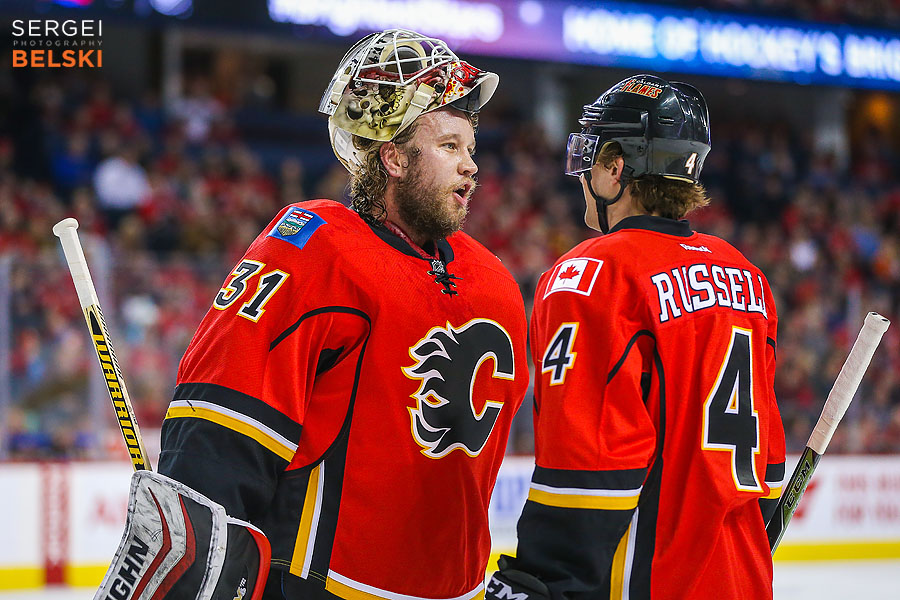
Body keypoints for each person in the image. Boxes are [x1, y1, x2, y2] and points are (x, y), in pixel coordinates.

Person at [158, 29, 528, 600]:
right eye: (449, 146)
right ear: (393, 157)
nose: (471, 167)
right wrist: (194, 552)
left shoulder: (496, 282)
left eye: (470, 148)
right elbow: (223, 416)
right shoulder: (316, 248)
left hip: (459, 589)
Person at [486, 74, 785, 599]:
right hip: (742, 577)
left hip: (646, 579)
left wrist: (546, 579)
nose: (582, 173)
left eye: (592, 156)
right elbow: (769, 467)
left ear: (615, 167)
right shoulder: (747, 277)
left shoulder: (593, 273)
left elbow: (588, 464)